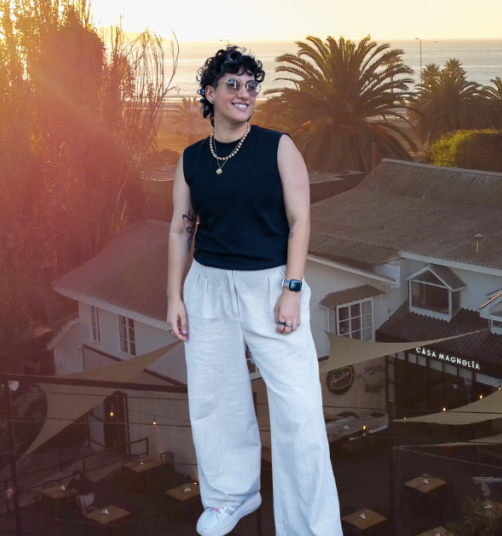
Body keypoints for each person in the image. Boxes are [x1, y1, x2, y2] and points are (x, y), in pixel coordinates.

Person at [166, 46, 342, 536]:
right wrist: (174, 297)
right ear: (210, 93)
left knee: (299, 412)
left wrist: (292, 288)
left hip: (270, 285)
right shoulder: (191, 160)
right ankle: (230, 498)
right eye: (233, 84)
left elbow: (301, 221)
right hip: (207, 287)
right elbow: (180, 229)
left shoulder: (278, 147)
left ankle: (311, 526)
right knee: (215, 399)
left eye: (251, 85)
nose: (244, 93)